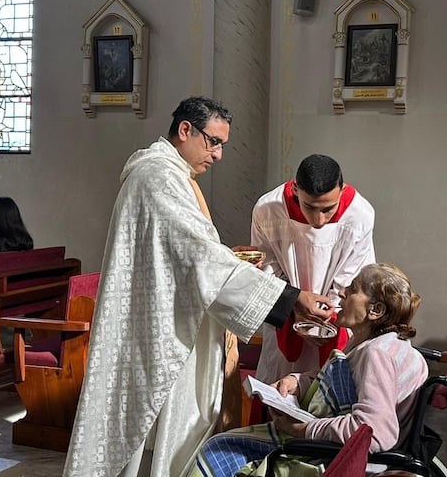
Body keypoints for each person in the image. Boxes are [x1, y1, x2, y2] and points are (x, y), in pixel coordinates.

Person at [64, 97, 333, 477]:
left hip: (170, 318)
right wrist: (289, 298)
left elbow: (191, 256)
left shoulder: (171, 177)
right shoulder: (157, 177)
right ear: (186, 130)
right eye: (214, 141)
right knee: (151, 433)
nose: (219, 154)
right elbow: (198, 259)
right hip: (160, 333)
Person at [192, 263, 429, 477]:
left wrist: (304, 430)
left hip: (343, 459)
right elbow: (351, 382)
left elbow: (376, 432)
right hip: (336, 444)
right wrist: (299, 381)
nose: (343, 292)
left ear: (375, 310)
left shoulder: (376, 354)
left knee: (221, 446)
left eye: (354, 288)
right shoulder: (383, 345)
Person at [250, 154, 376, 384]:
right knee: (279, 385)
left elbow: (353, 276)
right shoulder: (268, 209)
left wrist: (322, 319)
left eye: (328, 209)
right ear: (296, 189)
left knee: (329, 390)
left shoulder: (360, 214)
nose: (318, 220)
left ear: (342, 190)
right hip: (286, 317)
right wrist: (294, 304)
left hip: (333, 319)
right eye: (310, 207)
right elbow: (268, 267)